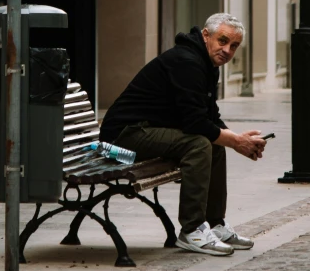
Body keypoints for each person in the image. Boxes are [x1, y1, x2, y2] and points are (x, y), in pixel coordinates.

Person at [99, 13, 267, 257]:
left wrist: (237, 140)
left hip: (146, 130)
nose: (227, 50)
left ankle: (214, 223)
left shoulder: (207, 64)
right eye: (223, 41)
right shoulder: (187, 62)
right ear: (206, 36)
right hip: (122, 136)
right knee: (199, 144)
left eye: (234, 46)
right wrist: (236, 142)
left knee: (215, 142)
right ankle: (192, 230)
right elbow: (196, 123)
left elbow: (209, 117)